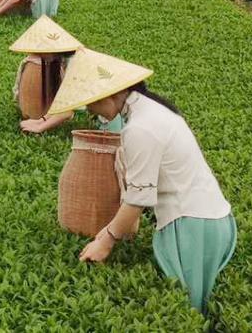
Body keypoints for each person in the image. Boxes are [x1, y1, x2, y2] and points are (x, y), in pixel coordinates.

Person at [50, 49, 237, 313]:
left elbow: (138, 198)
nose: (91, 110)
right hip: (210, 220)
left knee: (189, 312)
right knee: (196, 311)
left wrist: (106, 240)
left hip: (192, 227)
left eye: (92, 102)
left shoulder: (140, 127)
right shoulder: (154, 109)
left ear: (112, 93)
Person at [8, 19, 122, 136]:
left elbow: (66, 110)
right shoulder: (66, 60)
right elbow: (61, 103)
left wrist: (40, 127)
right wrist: (41, 120)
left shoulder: (75, 64)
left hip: (112, 114)